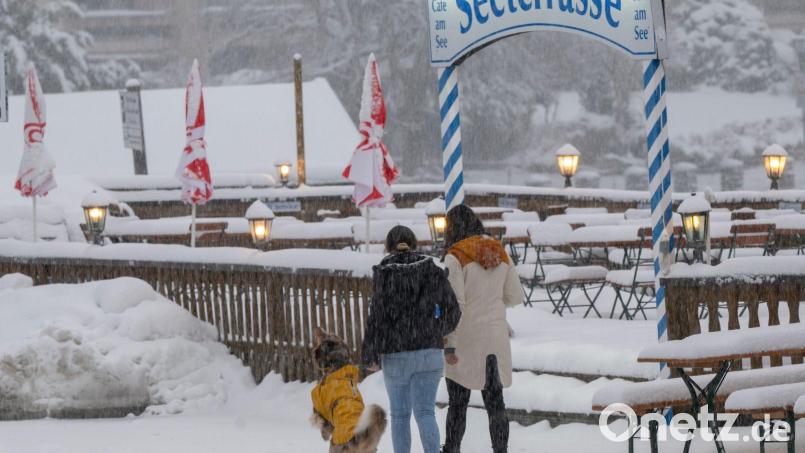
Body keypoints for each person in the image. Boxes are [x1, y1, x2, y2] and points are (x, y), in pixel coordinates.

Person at [361, 225, 461, 453]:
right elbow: (454, 310)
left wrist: (370, 354)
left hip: (396, 354)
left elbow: (376, 318)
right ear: (414, 243)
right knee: (426, 412)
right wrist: (437, 330)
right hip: (429, 352)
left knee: (400, 415)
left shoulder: (385, 273)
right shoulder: (431, 270)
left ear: (388, 246)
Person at [440, 205, 524, 453]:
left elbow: (456, 305)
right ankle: (501, 449)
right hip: (495, 339)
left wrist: (449, 344)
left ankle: (452, 449)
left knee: (458, 403)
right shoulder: (498, 251)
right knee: (496, 403)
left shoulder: (455, 256)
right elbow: (515, 295)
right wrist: (491, 301)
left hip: (465, 339)